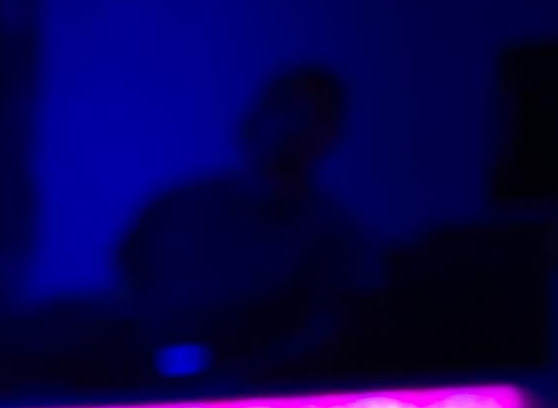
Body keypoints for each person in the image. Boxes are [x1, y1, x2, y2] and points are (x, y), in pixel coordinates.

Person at [118, 64, 376, 382]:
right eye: (284, 110)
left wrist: (242, 375)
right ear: (253, 119)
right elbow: (130, 286)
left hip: (261, 390)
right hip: (148, 382)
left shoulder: (334, 232)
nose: (292, 128)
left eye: (311, 117)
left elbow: (331, 327)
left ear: (330, 137)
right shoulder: (174, 208)